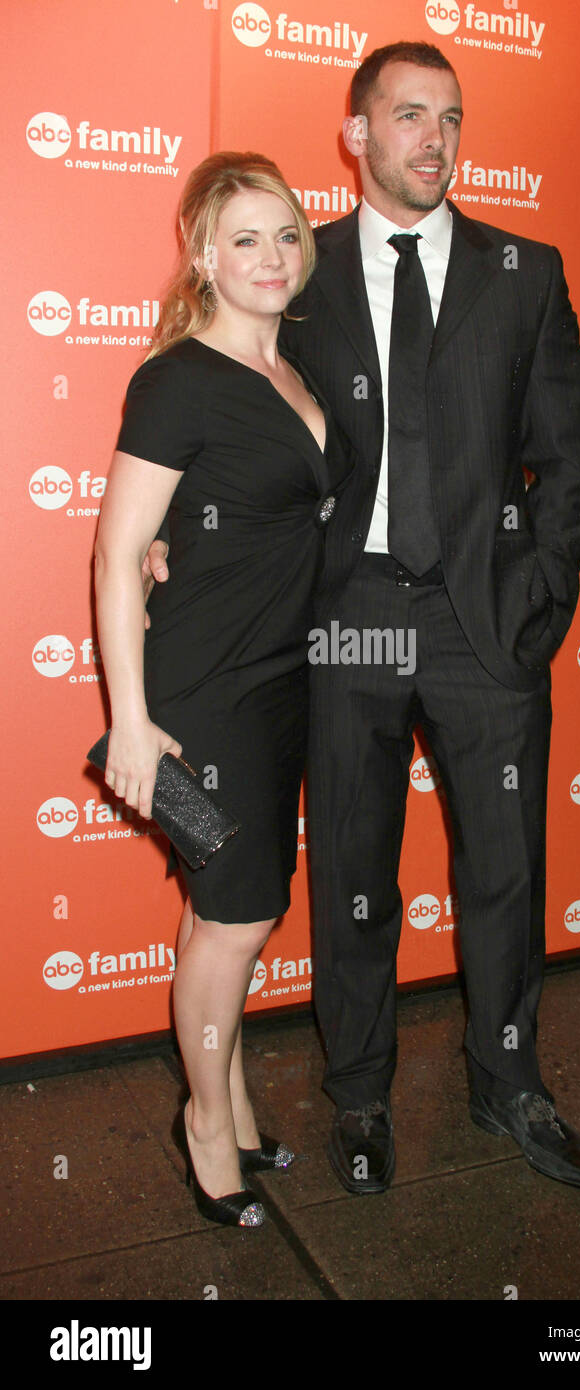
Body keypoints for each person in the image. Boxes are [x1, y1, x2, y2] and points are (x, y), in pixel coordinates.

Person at [146, 43, 580, 1196]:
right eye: (407, 117)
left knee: (503, 867)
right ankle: (357, 1092)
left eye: (450, 118)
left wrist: (535, 609)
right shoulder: (297, 271)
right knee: (353, 863)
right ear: (356, 133)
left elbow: (566, 463)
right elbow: (228, 407)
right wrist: (179, 536)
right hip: (346, 616)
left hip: (481, 625)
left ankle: (510, 1083)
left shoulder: (527, 270)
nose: (433, 141)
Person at [94, 151, 352, 1227]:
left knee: (228, 913)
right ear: (204, 253)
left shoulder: (298, 370)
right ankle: (204, 1125)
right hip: (205, 690)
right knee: (235, 922)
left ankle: (234, 1097)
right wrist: (133, 726)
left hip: (289, 679)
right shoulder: (176, 379)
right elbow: (117, 555)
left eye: (287, 233)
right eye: (244, 237)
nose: (272, 256)